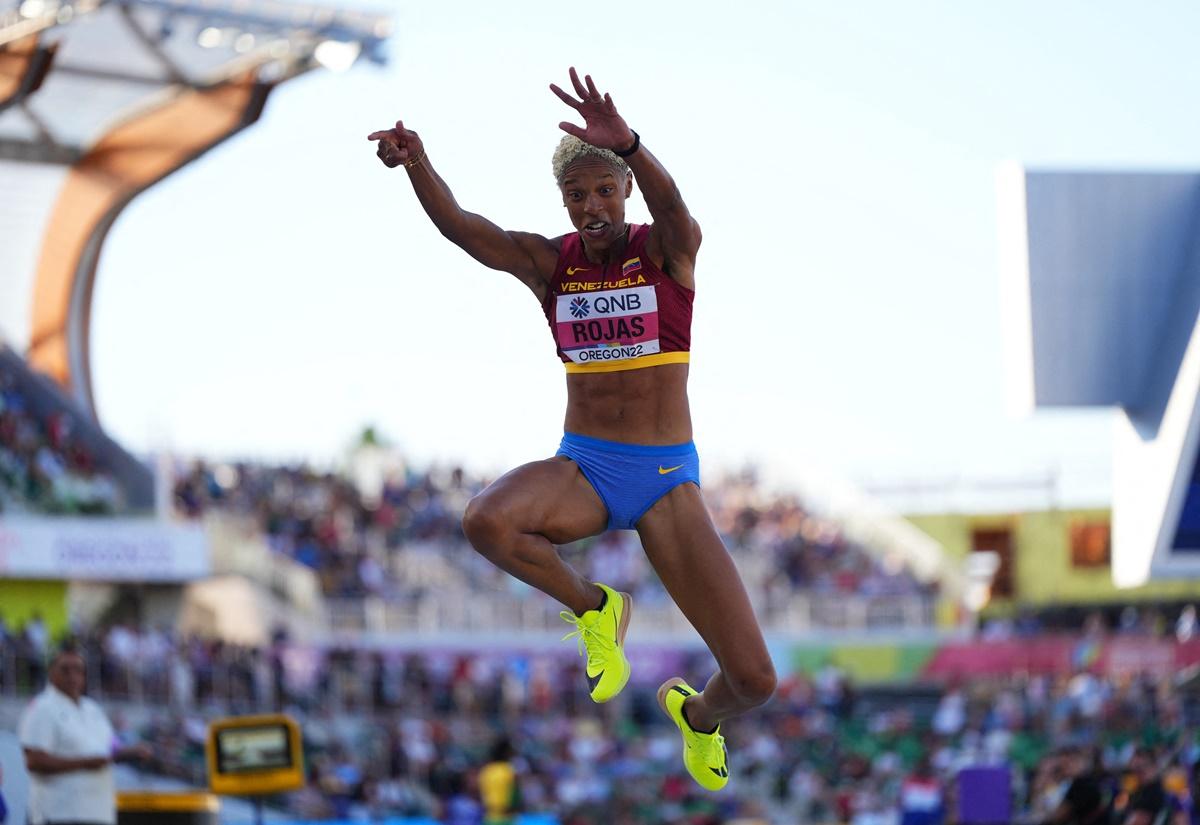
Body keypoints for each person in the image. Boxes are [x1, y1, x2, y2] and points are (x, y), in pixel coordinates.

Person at [367, 67, 776, 791]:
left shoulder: (663, 251)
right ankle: (596, 607)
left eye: (604, 189)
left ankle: (698, 717)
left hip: (664, 482)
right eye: (577, 194)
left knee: (754, 679)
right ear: (564, 201)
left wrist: (633, 146)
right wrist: (418, 164)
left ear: (624, 191)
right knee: (486, 521)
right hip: (585, 466)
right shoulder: (550, 263)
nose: (592, 204)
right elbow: (466, 230)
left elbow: (680, 210)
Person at [18, 647, 151, 825]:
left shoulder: (93, 709)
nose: (72, 676)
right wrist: (86, 763)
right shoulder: (42, 707)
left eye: (78, 670)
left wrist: (131, 752)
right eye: (65, 669)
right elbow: (34, 761)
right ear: (51, 672)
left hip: (98, 812)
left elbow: (109, 750)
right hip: (59, 813)